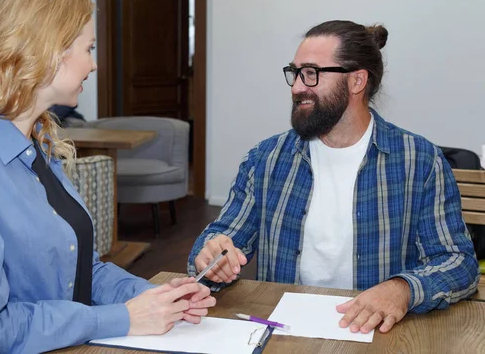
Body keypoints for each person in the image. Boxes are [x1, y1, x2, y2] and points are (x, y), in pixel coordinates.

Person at [0, 0, 215, 353]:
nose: (93, 66)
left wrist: (155, 296)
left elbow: (81, 273)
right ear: (48, 50)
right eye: (89, 49)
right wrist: (124, 318)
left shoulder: (36, 149)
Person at [188, 20, 479, 335]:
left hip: (378, 334)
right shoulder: (266, 159)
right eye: (295, 73)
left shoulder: (420, 161)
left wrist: (402, 290)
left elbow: (458, 262)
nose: (297, 87)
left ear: (356, 81)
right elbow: (221, 239)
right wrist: (209, 255)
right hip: (284, 331)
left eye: (312, 73)